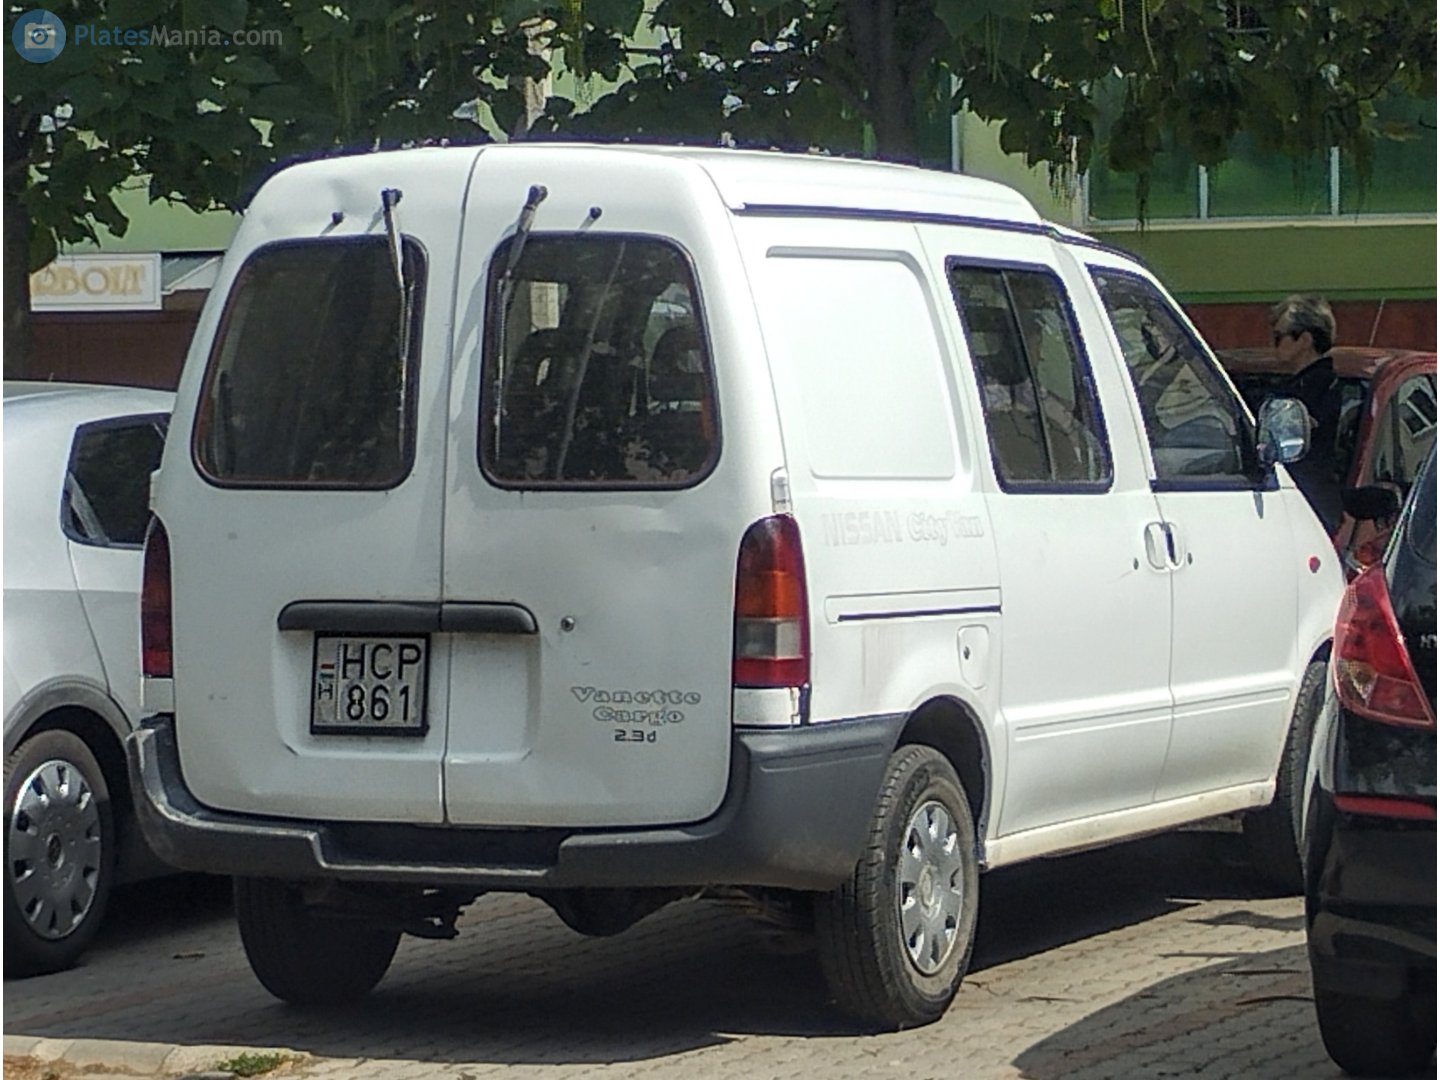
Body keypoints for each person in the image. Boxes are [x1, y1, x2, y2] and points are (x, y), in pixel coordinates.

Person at [1270, 294, 1344, 532]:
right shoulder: (1297, 387)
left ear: (1304, 340)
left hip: (1311, 511)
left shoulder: (1323, 389)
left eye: (1279, 337)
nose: (1274, 345)